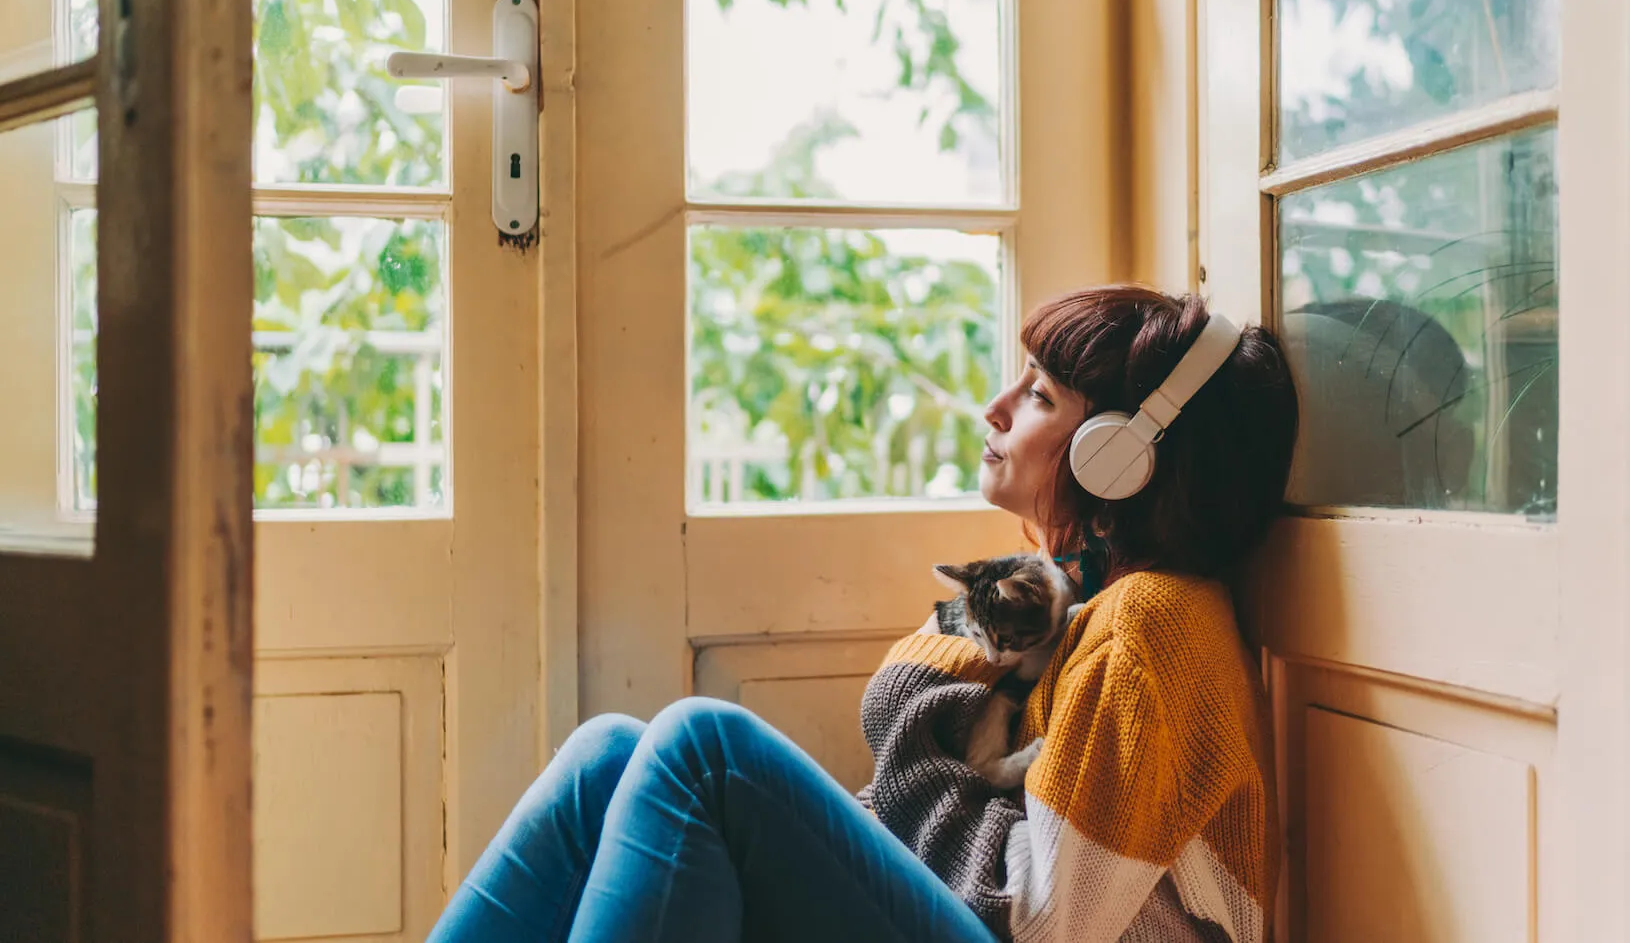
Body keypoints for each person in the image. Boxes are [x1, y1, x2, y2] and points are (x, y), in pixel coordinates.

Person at [425, 284, 1300, 943]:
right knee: (606, 756)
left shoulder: (1155, 625)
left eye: (1038, 393)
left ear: (1118, 456)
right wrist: (1028, 588)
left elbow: (1039, 920)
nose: (994, 407)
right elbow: (906, 702)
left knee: (704, 750)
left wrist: (917, 773)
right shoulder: (1079, 597)